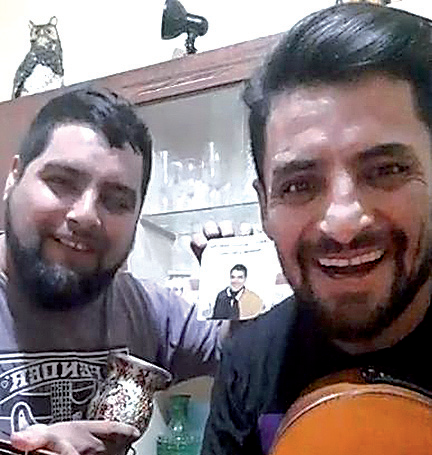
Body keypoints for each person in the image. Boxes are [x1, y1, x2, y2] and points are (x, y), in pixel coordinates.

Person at [201, 3, 432, 454]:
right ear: (264, 206)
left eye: (386, 170)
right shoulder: (249, 363)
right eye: (299, 185)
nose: (343, 223)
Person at [0, 88, 222, 455]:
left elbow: (249, 349)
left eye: (117, 201)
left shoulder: (146, 310)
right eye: (61, 182)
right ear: (14, 178)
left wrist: (233, 279)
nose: (86, 215)